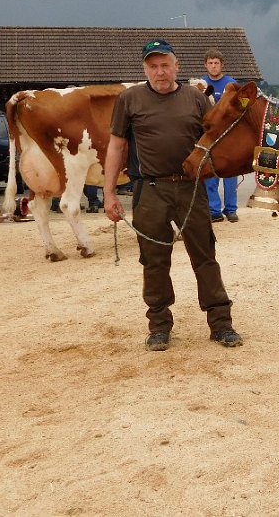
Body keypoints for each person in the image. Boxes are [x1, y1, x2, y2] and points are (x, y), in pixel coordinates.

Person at [103, 39, 242, 351]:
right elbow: (116, 146)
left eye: (165, 65)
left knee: (205, 255)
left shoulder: (195, 99)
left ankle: (221, 324)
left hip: (191, 189)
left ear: (176, 66)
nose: (159, 72)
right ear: (145, 69)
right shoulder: (129, 99)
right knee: (153, 260)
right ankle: (159, 326)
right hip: (149, 190)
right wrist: (109, 193)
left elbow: (215, 137)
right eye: (153, 66)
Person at [202, 48, 239, 223]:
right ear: (205, 65)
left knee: (230, 174)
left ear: (222, 65)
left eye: (216, 63)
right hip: (209, 136)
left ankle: (231, 210)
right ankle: (214, 210)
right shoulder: (201, 85)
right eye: (210, 63)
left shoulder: (231, 84)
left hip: (229, 136)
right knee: (210, 174)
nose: (213, 66)